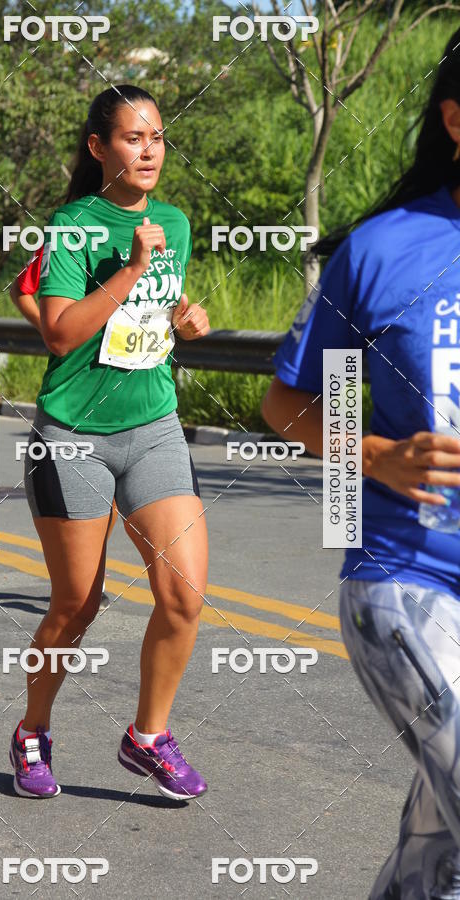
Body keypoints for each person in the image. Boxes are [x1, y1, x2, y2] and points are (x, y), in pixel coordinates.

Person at [263, 27, 460, 899]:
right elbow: (293, 407)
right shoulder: (386, 251)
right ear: (456, 120)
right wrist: (376, 453)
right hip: (408, 576)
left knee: (436, 852)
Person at [8, 84, 211, 802]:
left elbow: (158, 307)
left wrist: (184, 315)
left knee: (184, 593)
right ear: (100, 148)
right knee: (77, 605)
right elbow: (60, 330)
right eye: (132, 137)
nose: (148, 149)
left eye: (156, 136)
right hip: (75, 438)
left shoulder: (175, 223)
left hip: (153, 425)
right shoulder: (73, 225)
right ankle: (33, 730)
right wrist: (128, 268)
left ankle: (147, 737)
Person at [10, 246, 119, 602]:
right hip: (75, 388)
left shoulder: (142, 236)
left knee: (111, 496)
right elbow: (20, 290)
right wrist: (54, 329)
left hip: (123, 383)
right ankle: (77, 581)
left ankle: (92, 574)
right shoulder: (67, 238)